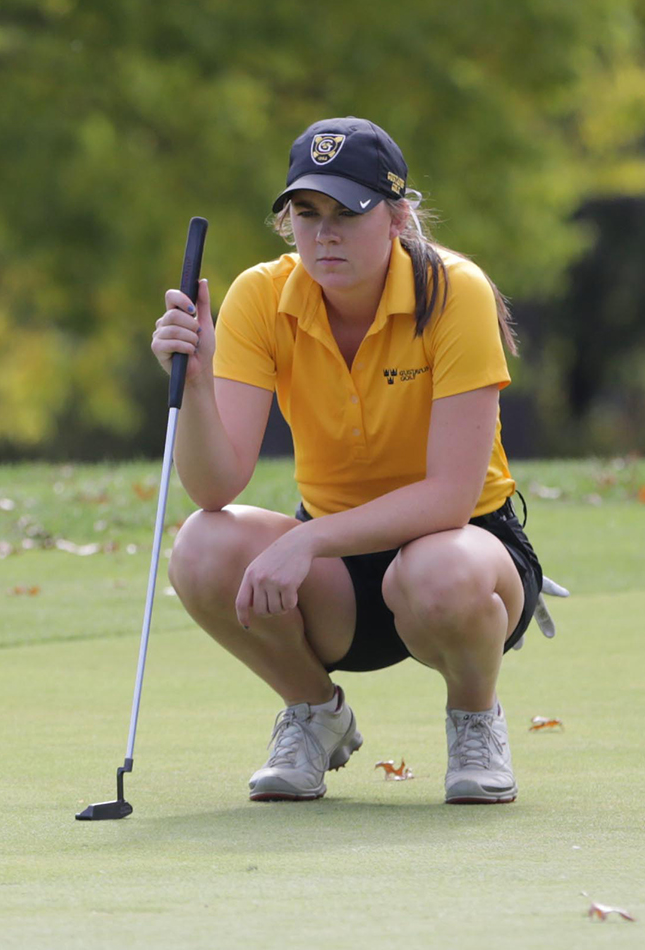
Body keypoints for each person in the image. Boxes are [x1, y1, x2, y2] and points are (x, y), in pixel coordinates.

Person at [149, 116, 543, 805]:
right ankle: (314, 715)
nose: (323, 234)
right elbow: (213, 485)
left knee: (441, 567)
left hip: (460, 554)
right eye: (306, 213)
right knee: (202, 545)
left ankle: (474, 720)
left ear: (396, 217)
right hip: (338, 580)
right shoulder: (261, 295)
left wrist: (305, 539)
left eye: (347, 213)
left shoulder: (454, 291)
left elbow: (449, 498)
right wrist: (200, 380)